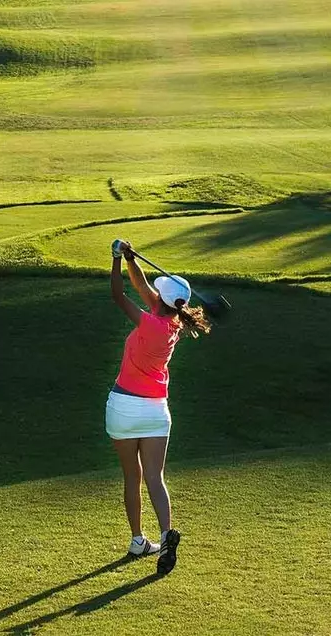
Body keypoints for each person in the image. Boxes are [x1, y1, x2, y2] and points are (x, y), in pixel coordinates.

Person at [106, 238, 211, 576]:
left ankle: (138, 539)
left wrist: (115, 261)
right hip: (156, 412)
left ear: (160, 301)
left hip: (123, 407)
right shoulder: (175, 323)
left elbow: (119, 295)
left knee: (131, 477)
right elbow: (144, 288)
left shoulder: (148, 321)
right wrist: (131, 258)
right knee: (155, 476)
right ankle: (166, 535)